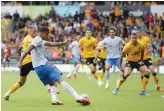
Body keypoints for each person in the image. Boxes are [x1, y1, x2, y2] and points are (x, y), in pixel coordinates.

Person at [17, 26, 89, 105]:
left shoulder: (39, 40)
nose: (48, 36)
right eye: (47, 34)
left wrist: (64, 43)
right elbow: (27, 50)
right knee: (60, 79)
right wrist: (20, 61)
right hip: (44, 65)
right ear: (41, 34)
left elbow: (52, 44)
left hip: (37, 69)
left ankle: (54, 99)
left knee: (52, 83)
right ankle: (77, 96)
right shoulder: (37, 39)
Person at [3, 27, 59, 102]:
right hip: (31, 61)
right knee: (46, 70)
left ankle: (7, 93)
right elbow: (32, 47)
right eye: (34, 32)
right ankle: (50, 88)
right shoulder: (30, 39)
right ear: (31, 32)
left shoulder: (25, 38)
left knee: (21, 82)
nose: (35, 33)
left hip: (24, 63)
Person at [113, 30, 151, 96]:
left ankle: (143, 91)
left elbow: (142, 53)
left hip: (138, 61)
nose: (134, 39)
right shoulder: (127, 46)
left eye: (135, 38)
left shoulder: (141, 45)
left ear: (137, 38)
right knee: (127, 73)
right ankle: (116, 88)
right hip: (130, 61)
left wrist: (141, 60)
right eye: (132, 38)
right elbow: (121, 56)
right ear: (131, 38)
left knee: (147, 72)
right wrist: (121, 66)